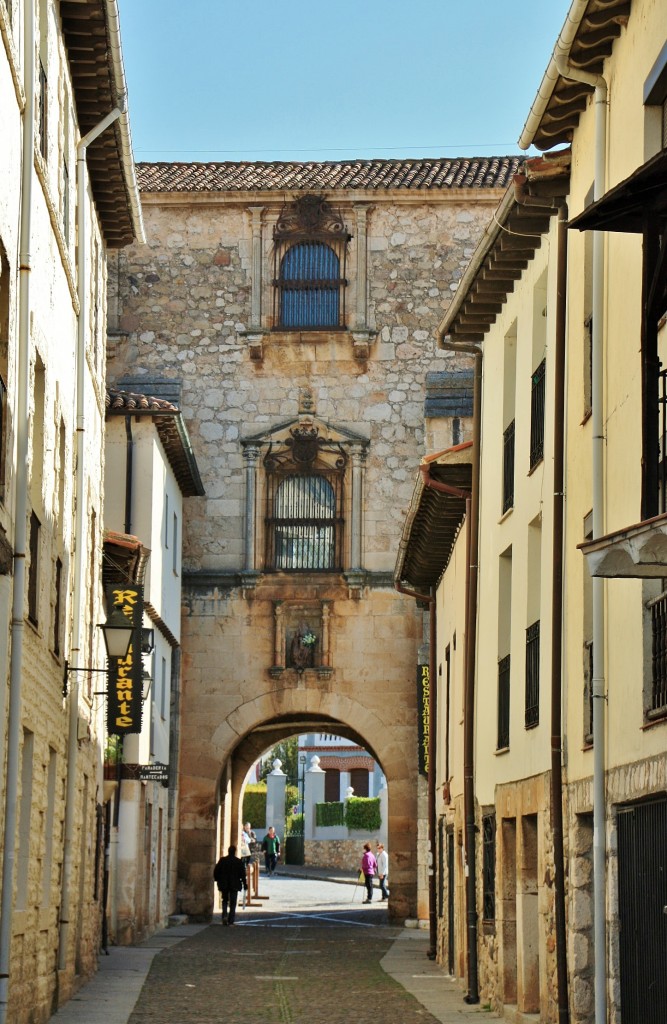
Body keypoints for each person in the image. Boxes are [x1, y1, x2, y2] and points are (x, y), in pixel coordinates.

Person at [213, 844, 247, 925]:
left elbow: (216, 871)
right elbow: (242, 874)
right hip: (234, 884)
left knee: (224, 900)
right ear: (235, 852)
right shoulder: (238, 862)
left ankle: (224, 915)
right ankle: (231, 920)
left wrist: (217, 879)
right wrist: (244, 883)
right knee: (233, 902)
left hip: (224, 883)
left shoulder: (222, 860)